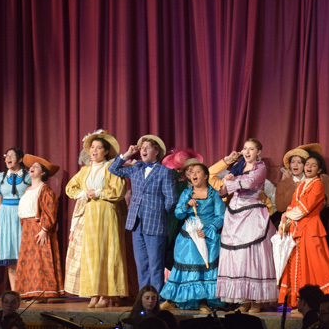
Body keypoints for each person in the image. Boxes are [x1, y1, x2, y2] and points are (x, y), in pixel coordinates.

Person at [65, 130, 129, 307]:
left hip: (107, 212)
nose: (94, 151)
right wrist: (84, 193)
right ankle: (94, 292)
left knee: (108, 251)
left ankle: (107, 294)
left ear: (106, 151)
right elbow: (70, 188)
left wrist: (99, 192)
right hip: (90, 214)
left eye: (99, 148)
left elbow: (118, 190)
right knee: (92, 254)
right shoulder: (85, 170)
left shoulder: (112, 168)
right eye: (92, 147)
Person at [215, 138, 277, 312]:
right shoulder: (238, 168)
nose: (247, 151)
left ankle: (256, 300)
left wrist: (230, 181)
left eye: (251, 149)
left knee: (253, 255)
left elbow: (250, 183)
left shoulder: (260, 167)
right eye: (245, 148)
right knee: (238, 257)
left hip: (252, 214)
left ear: (258, 152)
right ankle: (244, 300)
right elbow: (223, 189)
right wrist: (224, 185)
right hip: (234, 214)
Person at [278, 152, 329, 307]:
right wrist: (284, 223)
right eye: (307, 164)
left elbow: (304, 208)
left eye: (313, 165)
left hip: (311, 229)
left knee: (318, 265)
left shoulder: (318, 184)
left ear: (319, 170)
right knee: (300, 265)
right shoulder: (302, 185)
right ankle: (301, 302)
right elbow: (292, 205)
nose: (309, 167)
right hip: (298, 230)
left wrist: (286, 215)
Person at [109, 134, 176, 293]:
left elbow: (171, 199)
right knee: (142, 264)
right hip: (136, 222)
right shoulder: (136, 168)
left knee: (155, 264)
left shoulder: (164, 172)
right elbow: (113, 169)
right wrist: (126, 154)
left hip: (155, 223)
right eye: (142, 148)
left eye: (147, 148)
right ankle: (144, 298)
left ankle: (156, 298)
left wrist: (159, 213)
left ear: (156, 152)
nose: (143, 150)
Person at [160, 162, 225, 312]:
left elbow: (221, 216)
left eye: (197, 172)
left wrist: (209, 230)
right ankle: (172, 299)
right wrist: (187, 205)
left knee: (204, 268)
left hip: (206, 236)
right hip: (188, 236)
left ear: (206, 176)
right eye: (191, 172)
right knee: (183, 266)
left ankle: (202, 301)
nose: (194, 174)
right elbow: (178, 213)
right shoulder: (187, 194)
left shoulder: (213, 194)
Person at [14, 154, 64, 301]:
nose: (32, 168)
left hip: (39, 228)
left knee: (41, 260)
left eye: (36, 167)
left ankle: (44, 291)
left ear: (43, 172)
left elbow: (50, 210)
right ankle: (32, 291)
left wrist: (44, 229)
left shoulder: (45, 190)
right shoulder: (27, 190)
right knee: (29, 260)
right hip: (27, 229)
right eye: (31, 166)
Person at [0, 147, 30, 290]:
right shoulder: (0, 177)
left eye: (12, 155)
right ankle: (15, 291)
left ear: (20, 159)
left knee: (23, 252)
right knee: (10, 255)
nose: (8, 158)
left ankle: (26, 289)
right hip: (5, 216)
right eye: (6, 155)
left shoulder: (27, 176)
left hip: (22, 215)